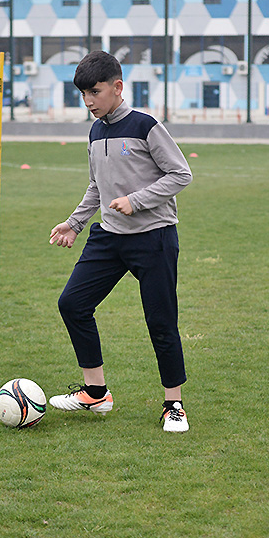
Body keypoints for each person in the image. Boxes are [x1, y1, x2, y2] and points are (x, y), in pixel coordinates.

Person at [48, 51, 193, 432]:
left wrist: (136, 200)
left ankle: (174, 405)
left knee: (161, 323)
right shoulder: (95, 132)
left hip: (154, 238)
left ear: (117, 87)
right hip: (109, 238)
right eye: (83, 94)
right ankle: (95, 393)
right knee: (72, 304)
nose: (88, 101)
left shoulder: (146, 126)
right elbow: (97, 186)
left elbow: (181, 174)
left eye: (94, 92)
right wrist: (74, 224)